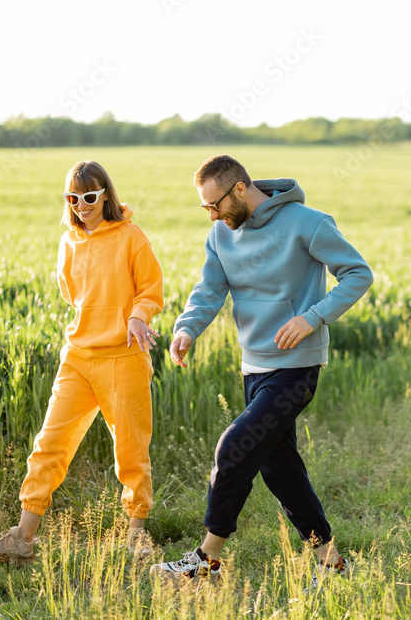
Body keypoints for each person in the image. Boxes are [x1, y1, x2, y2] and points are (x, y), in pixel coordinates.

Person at [151, 154, 373, 583]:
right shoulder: (221, 233)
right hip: (253, 367)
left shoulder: (307, 222)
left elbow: (357, 274)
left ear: (239, 189)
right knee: (280, 469)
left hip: (297, 366)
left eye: (214, 204)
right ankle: (333, 565)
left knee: (234, 448)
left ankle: (205, 560)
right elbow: (210, 289)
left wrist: (313, 317)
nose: (211, 215)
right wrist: (187, 328)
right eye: (205, 208)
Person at [0, 160, 164, 565]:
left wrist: (136, 314)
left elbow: (151, 289)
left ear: (106, 196)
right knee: (49, 445)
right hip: (78, 357)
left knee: (131, 450)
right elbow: (71, 293)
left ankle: (136, 535)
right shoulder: (68, 242)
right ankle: (22, 540)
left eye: (91, 196)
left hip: (124, 357)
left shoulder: (133, 237)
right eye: (73, 198)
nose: (82, 205)